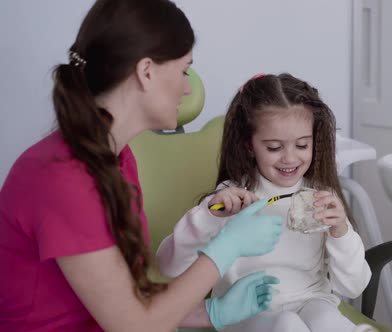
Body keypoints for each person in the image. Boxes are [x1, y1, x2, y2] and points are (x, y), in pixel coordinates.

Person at [0, 1, 284, 331]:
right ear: (146, 72)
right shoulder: (61, 179)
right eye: (184, 70)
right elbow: (134, 327)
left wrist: (213, 312)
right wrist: (227, 247)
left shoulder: (118, 160)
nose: (188, 87)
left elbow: (128, 303)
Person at [157, 73, 372, 332]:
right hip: (247, 310)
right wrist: (210, 214)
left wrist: (341, 232)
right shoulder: (230, 199)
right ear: (250, 146)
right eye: (274, 148)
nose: (290, 158)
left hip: (312, 301)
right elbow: (169, 266)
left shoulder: (322, 199)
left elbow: (354, 286)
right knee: (287, 325)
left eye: (302, 145)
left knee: (330, 322)